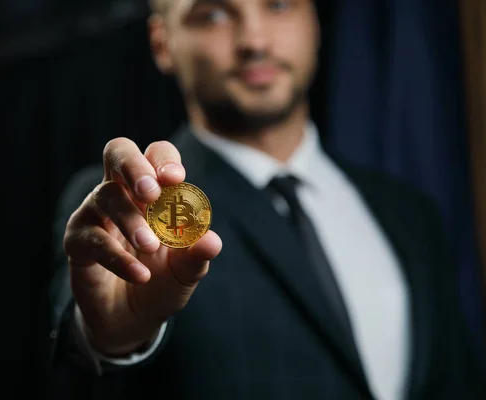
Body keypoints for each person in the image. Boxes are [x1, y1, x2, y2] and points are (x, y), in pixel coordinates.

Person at [47, 0, 484, 398]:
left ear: (313, 18)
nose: (254, 42)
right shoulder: (128, 211)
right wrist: (112, 339)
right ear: (162, 43)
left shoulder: (409, 212)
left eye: (279, 5)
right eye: (213, 15)